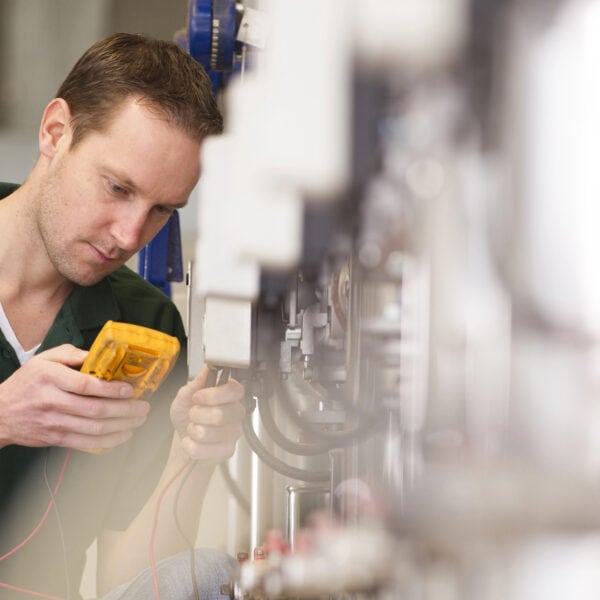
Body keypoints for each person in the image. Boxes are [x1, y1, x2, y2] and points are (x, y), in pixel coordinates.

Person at [0, 33, 245, 599]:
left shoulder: (147, 328)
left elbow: (128, 581)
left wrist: (191, 453)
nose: (130, 235)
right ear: (56, 132)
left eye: (162, 209)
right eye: (117, 188)